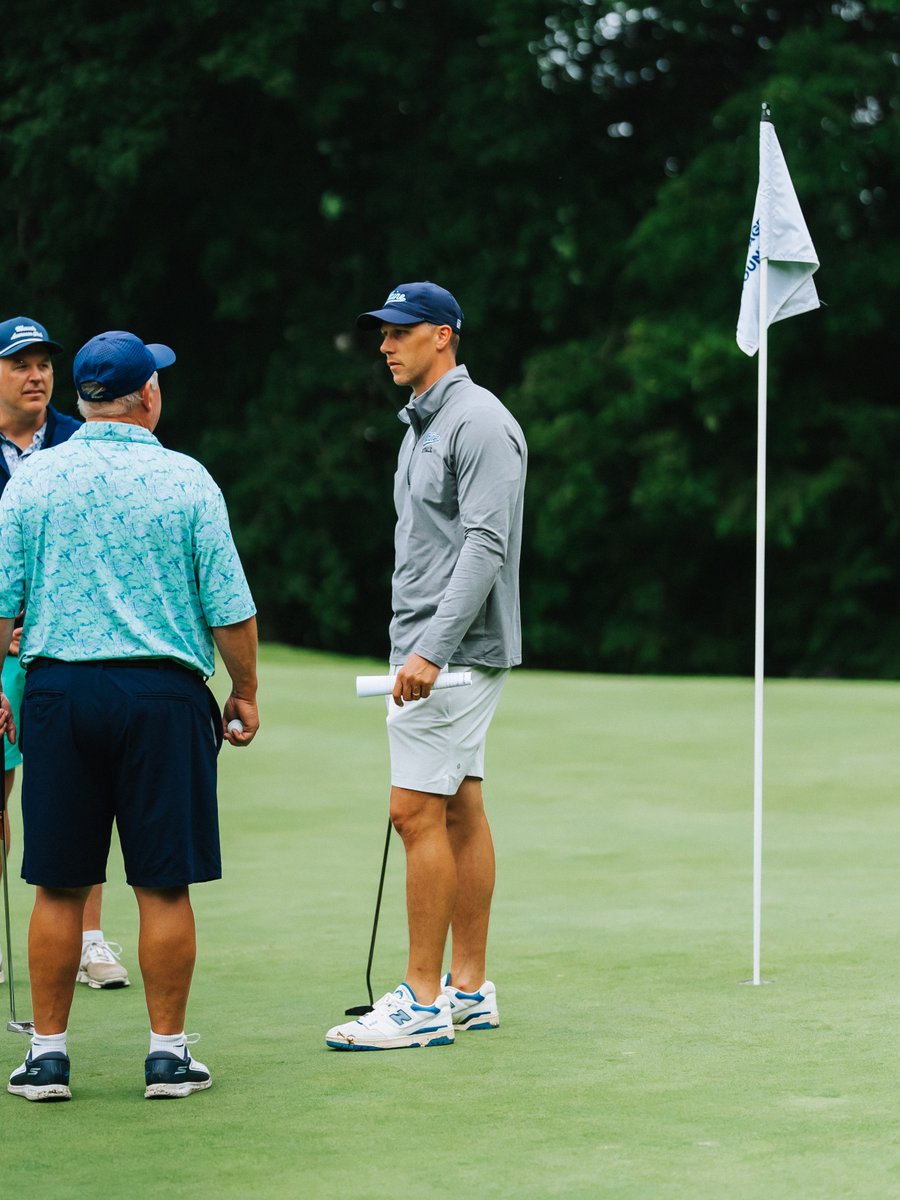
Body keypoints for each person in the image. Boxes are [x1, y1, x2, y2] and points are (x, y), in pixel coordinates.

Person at [0, 330, 259, 1101]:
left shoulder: (35, 480)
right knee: (164, 886)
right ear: (147, 395)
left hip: (59, 694)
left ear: (82, 396)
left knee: (58, 885)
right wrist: (245, 689)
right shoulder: (186, 479)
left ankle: (47, 1057)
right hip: (162, 697)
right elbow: (230, 607)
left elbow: (3, 599)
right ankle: (167, 1056)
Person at [326, 282, 527, 1051]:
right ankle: (467, 990)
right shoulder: (423, 425)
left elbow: (484, 545)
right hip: (437, 651)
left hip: (450, 656)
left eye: (400, 333)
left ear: (442, 336)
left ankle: (419, 1000)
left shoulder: (478, 422)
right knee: (457, 806)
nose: (385, 345)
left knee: (414, 812)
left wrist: (428, 651)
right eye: (381, 333)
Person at [0, 316, 129, 992]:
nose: (36, 375)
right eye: (21, 363)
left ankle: (87, 938)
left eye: (45, 363)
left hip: (64, 650)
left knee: (83, 793)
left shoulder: (86, 441)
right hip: (0, 647)